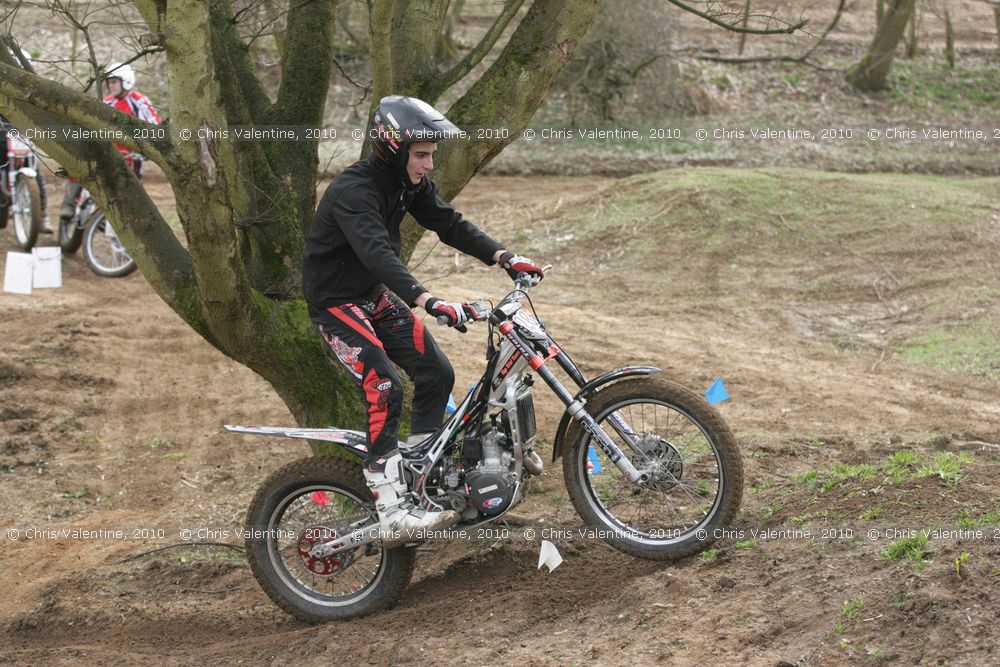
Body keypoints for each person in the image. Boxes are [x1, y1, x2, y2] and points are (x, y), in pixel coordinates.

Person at [302, 96, 544, 535]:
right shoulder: (354, 192)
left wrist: (504, 256)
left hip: (370, 296)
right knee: (385, 387)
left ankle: (422, 480)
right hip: (336, 304)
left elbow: (448, 222)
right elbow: (376, 252)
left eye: (432, 154)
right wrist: (427, 299)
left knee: (436, 372)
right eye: (422, 155)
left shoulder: (406, 183)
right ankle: (392, 509)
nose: (430, 164)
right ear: (393, 147)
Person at [58, 62, 160, 229]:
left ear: (126, 81)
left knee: (131, 199)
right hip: (106, 155)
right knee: (78, 167)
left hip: (131, 159)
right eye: (108, 82)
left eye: (114, 82)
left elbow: (155, 126)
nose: (110, 86)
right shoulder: (106, 103)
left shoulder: (139, 102)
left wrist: (148, 148)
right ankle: (68, 205)